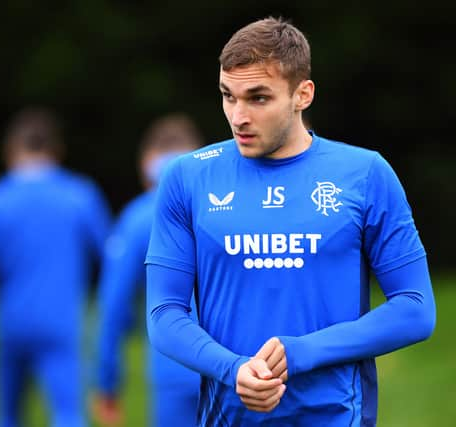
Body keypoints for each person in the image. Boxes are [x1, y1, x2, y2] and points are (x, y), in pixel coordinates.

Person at [145, 17, 436, 426]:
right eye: (229, 96)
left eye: (258, 98)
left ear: (303, 94)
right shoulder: (188, 178)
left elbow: (415, 308)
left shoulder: (365, 174)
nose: (238, 116)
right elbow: (164, 314)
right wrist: (233, 369)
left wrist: (301, 353)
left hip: (335, 416)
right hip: (231, 415)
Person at [0, 107, 111, 427]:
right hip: (62, 323)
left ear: (10, 150)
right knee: (68, 413)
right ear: (57, 150)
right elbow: (112, 257)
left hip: (10, 323)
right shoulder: (79, 195)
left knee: (7, 415)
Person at [93, 114, 202, 426]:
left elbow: (112, 306)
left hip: (172, 366)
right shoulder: (227, 209)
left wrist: (106, 381)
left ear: (146, 163)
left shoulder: (138, 217)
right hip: (235, 369)